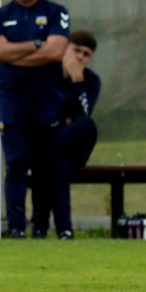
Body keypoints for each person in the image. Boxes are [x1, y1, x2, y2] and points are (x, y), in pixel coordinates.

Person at [0, 0, 70, 239]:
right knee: (17, 164)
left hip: (48, 101)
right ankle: (17, 228)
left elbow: (55, 51)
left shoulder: (57, 12)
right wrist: (36, 45)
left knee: (44, 169)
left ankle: (41, 228)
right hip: (11, 102)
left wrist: (14, 51)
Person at [46, 29, 101, 240]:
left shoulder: (91, 80)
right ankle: (65, 231)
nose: (80, 57)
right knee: (60, 162)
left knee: (87, 124)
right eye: (76, 50)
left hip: (71, 144)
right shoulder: (49, 75)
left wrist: (77, 81)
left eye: (86, 54)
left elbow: (80, 118)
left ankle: (47, 153)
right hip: (56, 147)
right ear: (65, 48)